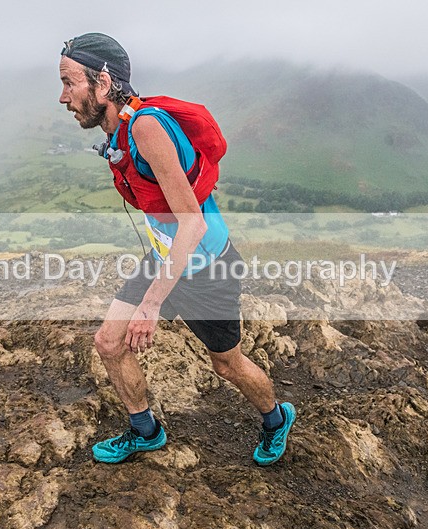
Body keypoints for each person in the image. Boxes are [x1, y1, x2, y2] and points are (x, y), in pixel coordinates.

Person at [58, 32, 295, 465]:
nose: (63, 97)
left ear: (103, 83)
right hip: (166, 259)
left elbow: (193, 223)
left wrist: (150, 305)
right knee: (109, 342)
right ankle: (145, 431)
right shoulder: (121, 131)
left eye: (69, 83)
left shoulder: (145, 127)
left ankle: (277, 419)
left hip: (207, 268)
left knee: (227, 365)